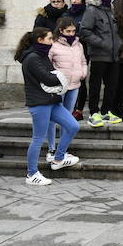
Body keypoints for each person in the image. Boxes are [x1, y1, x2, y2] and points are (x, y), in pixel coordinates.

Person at [15, 28, 80, 185]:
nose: (52, 41)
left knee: (73, 126)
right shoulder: (32, 58)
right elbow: (49, 78)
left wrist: (57, 75)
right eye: (50, 39)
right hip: (39, 103)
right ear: (40, 39)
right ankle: (31, 174)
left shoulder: (42, 55)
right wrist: (60, 76)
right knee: (38, 138)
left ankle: (58, 159)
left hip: (52, 101)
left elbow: (52, 75)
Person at [79, 0, 123, 127]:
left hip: (113, 55)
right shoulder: (92, 11)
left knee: (112, 85)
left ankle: (106, 111)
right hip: (99, 54)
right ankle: (94, 112)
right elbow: (85, 31)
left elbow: (114, 32)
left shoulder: (110, 10)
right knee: (95, 85)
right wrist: (102, 43)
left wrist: (118, 44)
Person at [47, 18, 87, 160]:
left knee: (67, 118)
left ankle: (63, 149)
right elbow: (48, 64)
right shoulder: (53, 45)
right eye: (68, 31)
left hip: (74, 84)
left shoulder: (78, 45)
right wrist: (54, 77)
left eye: (73, 31)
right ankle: (51, 149)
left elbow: (83, 61)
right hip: (58, 86)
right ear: (61, 31)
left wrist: (83, 72)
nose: (71, 34)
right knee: (52, 118)